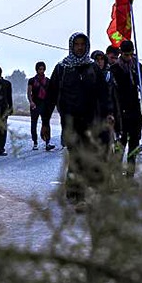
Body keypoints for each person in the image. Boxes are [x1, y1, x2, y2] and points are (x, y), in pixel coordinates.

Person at [48, 32, 114, 210]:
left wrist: (108, 113)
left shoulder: (93, 68)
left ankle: (79, 192)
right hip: (70, 123)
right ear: (71, 46)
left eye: (82, 44)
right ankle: (76, 195)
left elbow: (103, 93)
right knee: (77, 156)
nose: (79, 47)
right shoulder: (62, 68)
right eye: (76, 44)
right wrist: (45, 122)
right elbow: (51, 96)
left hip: (91, 121)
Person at [111, 40, 142, 177]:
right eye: (126, 55)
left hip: (135, 110)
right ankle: (117, 172)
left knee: (135, 143)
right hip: (120, 112)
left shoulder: (137, 67)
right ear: (121, 54)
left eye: (131, 54)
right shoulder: (114, 69)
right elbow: (112, 94)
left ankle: (130, 173)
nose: (129, 57)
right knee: (121, 143)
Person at [27, 61, 55, 151]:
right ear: (37, 70)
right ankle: (35, 142)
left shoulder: (47, 81)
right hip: (35, 104)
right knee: (33, 124)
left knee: (46, 124)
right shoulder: (32, 80)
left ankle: (47, 143)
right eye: (40, 69)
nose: (41, 71)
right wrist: (31, 102)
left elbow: (50, 93)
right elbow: (29, 92)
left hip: (45, 104)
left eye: (42, 69)